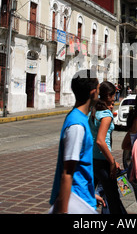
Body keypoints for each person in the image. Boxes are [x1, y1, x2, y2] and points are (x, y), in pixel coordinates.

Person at [49, 70, 104, 214]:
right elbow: (67, 172)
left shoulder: (78, 118)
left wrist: (91, 195)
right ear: (92, 92)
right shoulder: (77, 125)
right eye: (98, 89)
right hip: (76, 203)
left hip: (83, 197)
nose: (99, 93)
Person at [89, 81, 124, 214]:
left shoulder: (93, 111)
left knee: (89, 194)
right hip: (103, 160)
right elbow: (100, 141)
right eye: (114, 94)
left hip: (92, 158)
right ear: (109, 95)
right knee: (113, 198)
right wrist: (112, 162)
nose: (115, 97)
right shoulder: (106, 115)